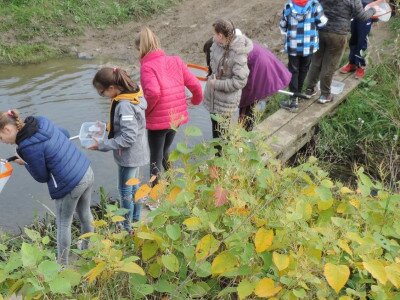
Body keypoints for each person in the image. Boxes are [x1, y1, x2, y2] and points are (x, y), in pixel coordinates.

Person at [0, 109, 94, 265]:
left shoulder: (25, 147)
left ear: (7, 129)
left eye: (1, 137)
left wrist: (25, 162)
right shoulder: (40, 121)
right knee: (85, 212)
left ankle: (62, 265)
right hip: (85, 170)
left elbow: (41, 176)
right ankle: (87, 247)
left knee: (64, 223)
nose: (3, 141)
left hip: (69, 184)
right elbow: (64, 133)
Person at [135, 27, 203, 187]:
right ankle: (172, 181)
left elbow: (153, 93)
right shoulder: (176, 60)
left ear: (141, 48)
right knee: (165, 149)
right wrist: (194, 101)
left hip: (158, 121)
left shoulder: (147, 66)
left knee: (155, 157)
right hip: (175, 118)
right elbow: (196, 86)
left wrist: (145, 113)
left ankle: (156, 193)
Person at [91, 67, 149, 233]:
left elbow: (128, 138)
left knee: (125, 190)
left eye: (102, 93)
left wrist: (101, 145)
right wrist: (105, 127)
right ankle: (136, 219)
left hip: (129, 157)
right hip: (139, 151)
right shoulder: (135, 94)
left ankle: (127, 227)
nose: (102, 96)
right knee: (135, 187)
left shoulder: (124, 105)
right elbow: (127, 126)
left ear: (112, 88)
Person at [203, 32, 291, 130]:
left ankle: (245, 136)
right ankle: (246, 131)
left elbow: (237, 81)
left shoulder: (231, 54)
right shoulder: (232, 43)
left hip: (260, 71)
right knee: (253, 103)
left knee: (249, 107)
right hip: (262, 64)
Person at [305, 0, 383, 104]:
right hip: (338, 33)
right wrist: (373, 10)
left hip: (319, 30)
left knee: (316, 62)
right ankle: (325, 94)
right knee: (329, 65)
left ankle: (309, 90)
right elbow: (362, 16)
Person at [203, 19, 252, 142]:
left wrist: (217, 83)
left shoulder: (238, 53)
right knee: (216, 132)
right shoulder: (217, 45)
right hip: (214, 98)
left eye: (214, 33)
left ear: (220, 35)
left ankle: (222, 157)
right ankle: (219, 157)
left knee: (221, 136)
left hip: (225, 102)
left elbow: (240, 81)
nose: (213, 36)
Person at [279, 0, 327, 112]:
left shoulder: (288, 6)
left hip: (293, 46)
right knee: (304, 69)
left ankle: (293, 99)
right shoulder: (315, 5)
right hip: (308, 46)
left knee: (293, 71)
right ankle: (298, 95)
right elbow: (322, 23)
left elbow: (283, 26)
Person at [339, 0, 377, 79]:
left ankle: (361, 66)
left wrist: (374, 13)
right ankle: (352, 63)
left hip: (366, 13)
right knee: (353, 40)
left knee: (362, 41)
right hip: (354, 12)